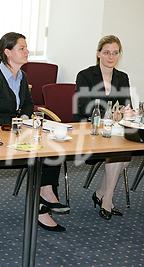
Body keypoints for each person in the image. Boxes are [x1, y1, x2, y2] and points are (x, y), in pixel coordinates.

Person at [0, 32, 69, 232]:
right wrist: (18, 122)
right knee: (40, 154)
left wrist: (26, 119)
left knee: (53, 146)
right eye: (22, 48)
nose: (27, 51)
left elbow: (28, 105)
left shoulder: (22, 76)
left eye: (26, 47)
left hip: (17, 133)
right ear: (7, 52)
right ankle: (44, 205)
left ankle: (45, 196)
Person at [75, 35, 131, 220]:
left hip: (113, 130)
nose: (111, 57)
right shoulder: (85, 75)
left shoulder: (122, 77)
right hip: (89, 130)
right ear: (99, 54)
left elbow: (126, 105)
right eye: (106, 52)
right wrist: (110, 113)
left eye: (115, 53)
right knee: (119, 156)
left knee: (125, 156)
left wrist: (124, 112)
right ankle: (107, 200)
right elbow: (83, 107)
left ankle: (101, 194)